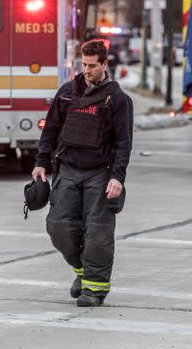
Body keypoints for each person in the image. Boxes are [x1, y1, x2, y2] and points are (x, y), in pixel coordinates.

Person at [32, 39, 134, 307]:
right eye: (83, 65)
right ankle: (82, 272)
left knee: (97, 233)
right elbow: (50, 130)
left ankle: (95, 290)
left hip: (100, 174)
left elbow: (124, 143)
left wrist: (117, 178)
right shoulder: (67, 93)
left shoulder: (118, 99)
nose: (87, 70)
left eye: (92, 66)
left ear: (104, 64)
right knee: (59, 227)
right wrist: (41, 161)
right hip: (67, 169)